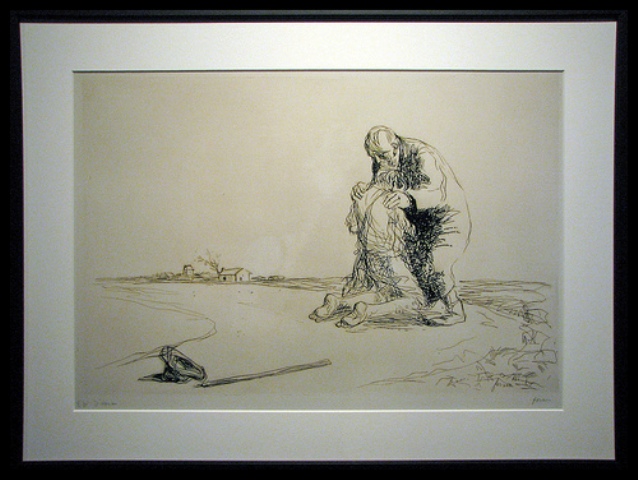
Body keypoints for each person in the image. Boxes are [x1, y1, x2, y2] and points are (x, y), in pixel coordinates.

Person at [310, 126, 471, 328]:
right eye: (374, 157)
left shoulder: (423, 155)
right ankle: (430, 304)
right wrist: (364, 189)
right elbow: (382, 185)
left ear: (395, 146)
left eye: (382, 155)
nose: (378, 161)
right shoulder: (383, 159)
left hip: (445, 217)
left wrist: (408, 198)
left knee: (437, 265)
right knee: (418, 272)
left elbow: (438, 193)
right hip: (417, 220)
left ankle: (455, 311)